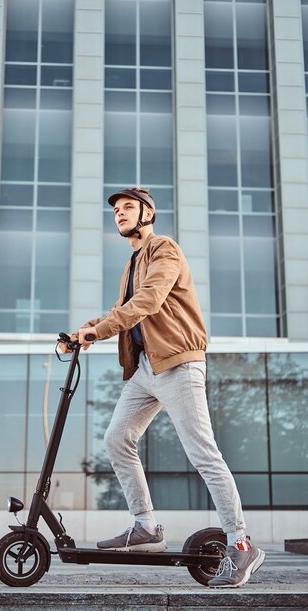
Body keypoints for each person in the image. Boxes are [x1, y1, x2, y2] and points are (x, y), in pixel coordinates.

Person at [61, 187, 265, 588]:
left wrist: (99, 331)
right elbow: (124, 310)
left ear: (148, 214)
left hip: (177, 364)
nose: (120, 214)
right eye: (116, 210)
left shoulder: (164, 249)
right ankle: (145, 527)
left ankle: (241, 544)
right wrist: (81, 331)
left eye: (128, 208)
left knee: (204, 455)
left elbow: (149, 301)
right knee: (117, 438)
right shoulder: (131, 262)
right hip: (144, 371)